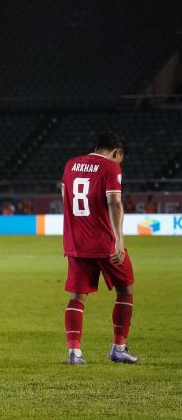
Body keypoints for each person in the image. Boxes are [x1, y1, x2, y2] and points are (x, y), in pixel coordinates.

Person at [60, 133, 137, 365]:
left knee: (77, 297)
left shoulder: (71, 164)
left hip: (76, 242)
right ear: (116, 152)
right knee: (126, 288)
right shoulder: (111, 168)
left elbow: (65, 198)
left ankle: (74, 353)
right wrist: (119, 239)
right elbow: (114, 202)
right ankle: (118, 347)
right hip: (104, 242)